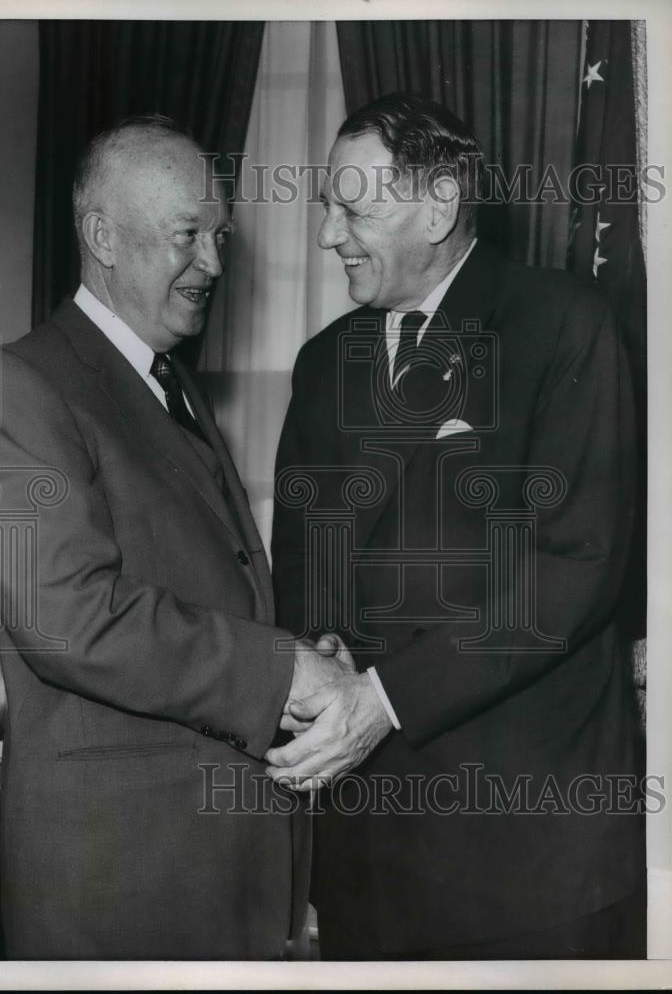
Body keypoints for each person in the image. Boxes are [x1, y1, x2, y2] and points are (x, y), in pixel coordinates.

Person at [0, 116, 346, 960]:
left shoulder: (170, 385)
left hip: (218, 867)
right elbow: (69, 619)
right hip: (119, 883)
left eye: (219, 235)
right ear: (102, 236)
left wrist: (301, 646)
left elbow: (204, 585)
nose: (211, 263)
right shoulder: (12, 386)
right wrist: (283, 672)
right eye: (186, 236)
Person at [268, 93, 645, 959]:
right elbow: (305, 558)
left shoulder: (564, 326)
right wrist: (322, 662)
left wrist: (385, 699)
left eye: (354, 209)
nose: (330, 235)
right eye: (328, 207)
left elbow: (575, 566)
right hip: (372, 848)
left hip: (527, 853)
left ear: (439, 204)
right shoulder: (324, 363)